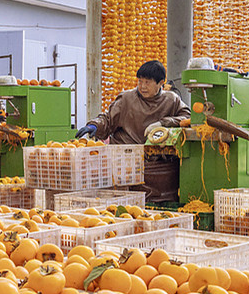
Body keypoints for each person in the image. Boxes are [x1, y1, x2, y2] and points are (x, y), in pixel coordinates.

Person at [77, 60, 190, 202]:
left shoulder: (171, 100)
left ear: (161, 82)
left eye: (147, 82)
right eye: (140, 81)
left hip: (157, 166)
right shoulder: (126, 99)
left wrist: (163, 123)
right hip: (126, 163)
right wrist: (94, 125)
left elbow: (187, 118)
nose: (142, 86)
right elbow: (108, 119)